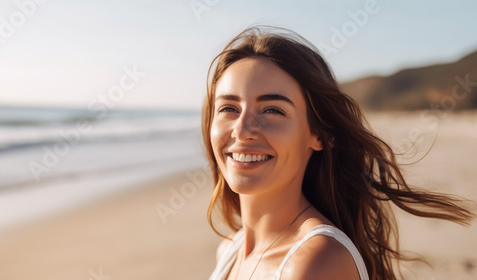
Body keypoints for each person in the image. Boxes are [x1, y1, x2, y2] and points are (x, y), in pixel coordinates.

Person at [202, 25, 474, 280]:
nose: (242, 130)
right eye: (229, 109)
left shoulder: (316, 262)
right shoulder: (229, 249)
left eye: (272, 110)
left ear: (320, 134)